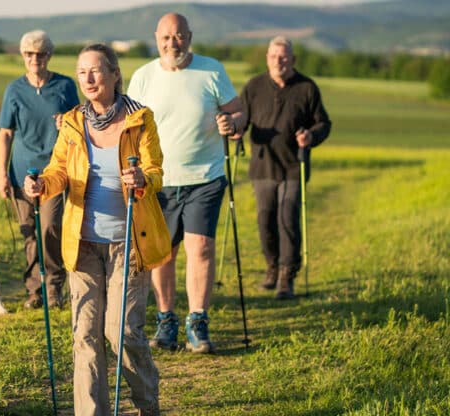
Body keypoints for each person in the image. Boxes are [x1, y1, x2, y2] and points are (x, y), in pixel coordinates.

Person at [25, 44, 171, 416]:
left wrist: (141, 178)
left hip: (129, 242)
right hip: (83, 243)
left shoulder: (141, 119)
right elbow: (59, 169)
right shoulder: (73, 122)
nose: (88, 79)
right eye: (81, 72)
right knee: (86, 336)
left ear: (114, 74)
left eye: (95, 71)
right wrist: (42, 184)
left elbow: (155, 172)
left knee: (121, 332)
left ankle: (147, 406)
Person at [127, 13, 244, 353]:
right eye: (166, 37)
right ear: (156, 38)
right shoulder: (144, 76)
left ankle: (198, 321)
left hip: (205, 177)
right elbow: (130, 126)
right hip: (158, 181)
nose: (172, 43)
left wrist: (232, 124)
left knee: (201, 249)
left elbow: (238, 112)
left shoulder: (212, 70)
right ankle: (166, 320)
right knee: (163, 254)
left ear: (189, 37)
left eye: (178, 36)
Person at [240, 36, 331, 299]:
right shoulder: (254, 86)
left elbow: (323, 123)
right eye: (273, 56)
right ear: (267, 58)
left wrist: (311, 136)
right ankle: (271, 267)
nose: (278, 61)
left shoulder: (307, 88)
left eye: (283, 57)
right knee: (265, 220)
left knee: (287, 218)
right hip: (262, 167)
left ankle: (286, 277)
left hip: (294, 166)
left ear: (292, 59)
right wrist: (236, 130)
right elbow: (242, 118)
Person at [0, 30, 80, 309]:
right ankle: (35, 289)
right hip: (20, 171)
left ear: (49, 56)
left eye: (41, 54)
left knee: (51, 227)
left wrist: (65, 123)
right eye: (30, 54)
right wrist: (2, 175)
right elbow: (5, 133)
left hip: (55, 171)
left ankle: (54, 285)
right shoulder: (14, 89)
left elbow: (79, 123)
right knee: (29, 231)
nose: (36, 59)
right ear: (23, 56)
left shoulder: (65, 86)